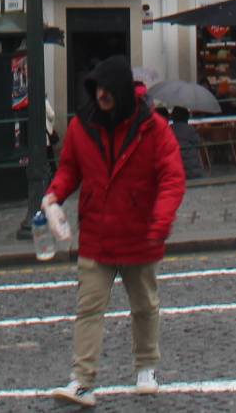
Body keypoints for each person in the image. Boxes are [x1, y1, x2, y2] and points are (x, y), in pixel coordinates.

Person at [45, 54, 186, 407]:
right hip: (97, 235)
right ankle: (82, 380)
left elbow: (172, 179)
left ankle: (146, 367)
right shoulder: (81, 127)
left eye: (106, 89)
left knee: (144, 306)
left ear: (122, 91)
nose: (101, 95)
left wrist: (160, 222)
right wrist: (53, 196)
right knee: (88, 309)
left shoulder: (154, 130)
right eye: (97, 89)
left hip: (140, 235)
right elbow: (69, 170)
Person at [167, 106, 208, 180]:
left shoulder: (169, 129)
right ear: (187, 117)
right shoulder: (190, 129)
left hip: (175, 167)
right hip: (192, 168)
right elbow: (198, 143)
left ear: (173, 117)